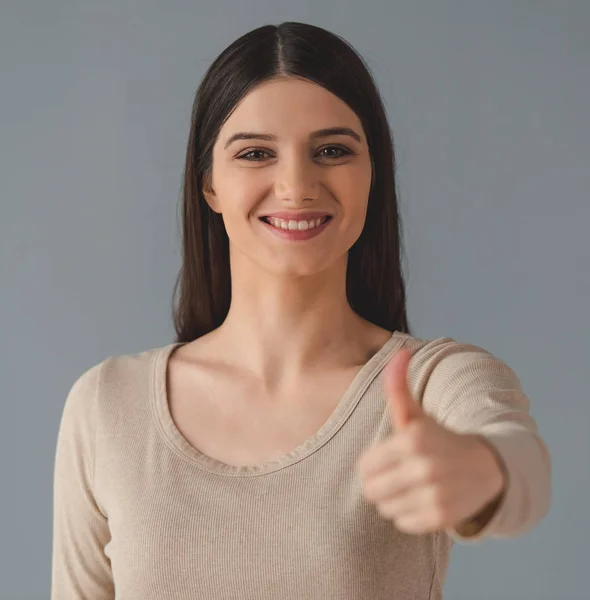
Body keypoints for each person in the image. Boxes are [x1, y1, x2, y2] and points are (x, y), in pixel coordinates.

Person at [51, 21, 551, 600]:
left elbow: (526, 469)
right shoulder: (107, 404)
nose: (296, 185)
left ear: (373, 175)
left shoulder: (431, 383)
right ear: (209, 184)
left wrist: (485, 471)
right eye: (256, 153)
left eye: (332, 151)